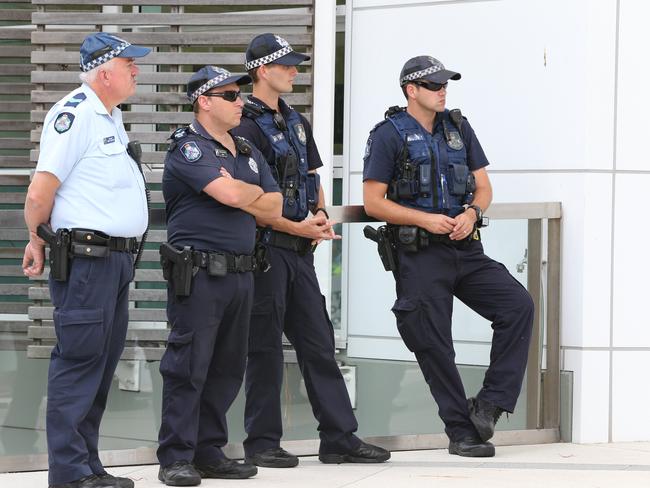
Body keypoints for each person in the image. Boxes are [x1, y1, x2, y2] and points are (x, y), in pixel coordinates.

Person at [362, 55, 534, 458]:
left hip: (467, 248)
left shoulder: (459, 128)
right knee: (435, 343)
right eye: (434, 85)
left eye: (445, 85)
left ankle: (489, 406)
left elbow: (483, 187)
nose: (443, 90)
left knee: (517, 305)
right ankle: (461, 431)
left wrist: (473, 212)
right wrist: (427, 220)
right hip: (420, 256)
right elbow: (373, 202)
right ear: (411, 90)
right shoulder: (387, 135)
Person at [231, 33, 390, 468]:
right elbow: (250, 199)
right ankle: (262, 442)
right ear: (263, 71)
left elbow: (312, 175)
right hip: (266, 251)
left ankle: (339, 438)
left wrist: (319, 215)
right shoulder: (243, 123)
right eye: (286, 65)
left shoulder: (295, 120)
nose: (294, 71)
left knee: (319, 344)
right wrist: (297, 224)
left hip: (299, 251)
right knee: (263, 349)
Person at [22, 32, 151, 488]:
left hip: (114, 261)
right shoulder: (74, 114)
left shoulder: (111, 118)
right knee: (79, 361)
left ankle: (88, 465)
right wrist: (36, 239)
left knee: (99, 364)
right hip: (88, 260)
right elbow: (41, 191)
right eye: (129, 63)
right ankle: (69, 472)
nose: (136, 69)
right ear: (104, 72)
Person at [156, 65, 282, 486]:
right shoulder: (189, 149)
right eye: (230, 96)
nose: (240, 102)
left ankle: (209, 450)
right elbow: (230, 194)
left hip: (242, 274)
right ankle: (176, 456)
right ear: (203, 101)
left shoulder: (246, 149)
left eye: (239, 95)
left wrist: (241, 194)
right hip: (199, 275)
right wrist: (247, 195)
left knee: (228, 368)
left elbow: (275, 208)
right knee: (188, 367)